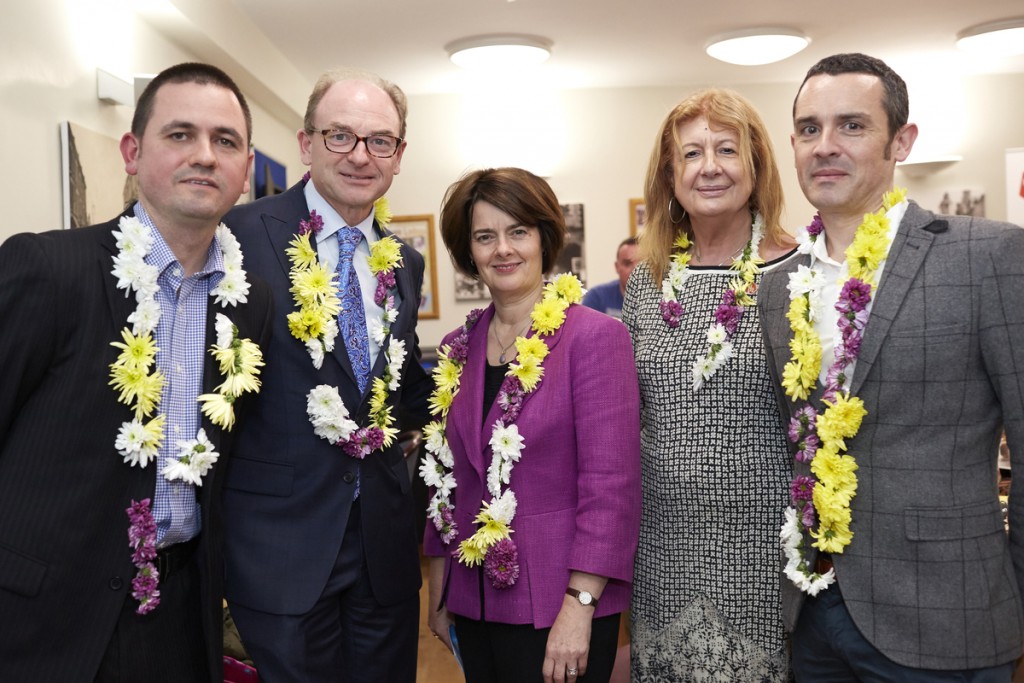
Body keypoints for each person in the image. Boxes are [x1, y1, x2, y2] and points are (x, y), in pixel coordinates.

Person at [0, 62, 272, 682]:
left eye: (225, 141)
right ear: (132, 151)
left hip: (179, 618)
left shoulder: (247, 303)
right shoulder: (46, 269)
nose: (204, 155)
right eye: (180, 134)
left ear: (245, 169)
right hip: (41, 623)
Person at [758, 52, 1024, 680]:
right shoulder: (777, 285)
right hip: (813, 617)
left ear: (901, 141)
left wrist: (1010, 595)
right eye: (808, 128)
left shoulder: (986, 257)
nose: (825, 146)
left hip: (950, 612)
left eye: (851, 125)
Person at [221, 67, 432, 683]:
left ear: (398, 157)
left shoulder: (407, 262)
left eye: (379, 141)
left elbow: (396, 385)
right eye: (340, 135)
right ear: (305, 142)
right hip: (281, 548)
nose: (360, 155)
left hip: (384, 549)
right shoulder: (239, 238)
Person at [422, 167, 641, 683]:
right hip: (473, 602)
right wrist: (439, 589)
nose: (503, 249)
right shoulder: (459, 346)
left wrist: (579, 605)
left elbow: (612, 489)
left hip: (559, 605)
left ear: (544, 236)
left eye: (517, 230)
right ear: (468, 250)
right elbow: (443, 478)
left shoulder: (595, 338)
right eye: (484, 236)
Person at [622, 87, 796, 681]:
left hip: (764, 555)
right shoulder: (646, 281)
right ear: (670, 174)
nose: (711, 167)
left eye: (727, 149)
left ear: (756, 166)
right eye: (691, 154)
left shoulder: (798, 272)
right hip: (663, 551)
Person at [581, 236, 638, 318]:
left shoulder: (659, 299)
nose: (635, 270)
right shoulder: (597, 297)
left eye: (641, 264)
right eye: (627, 264)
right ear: (617, 267)